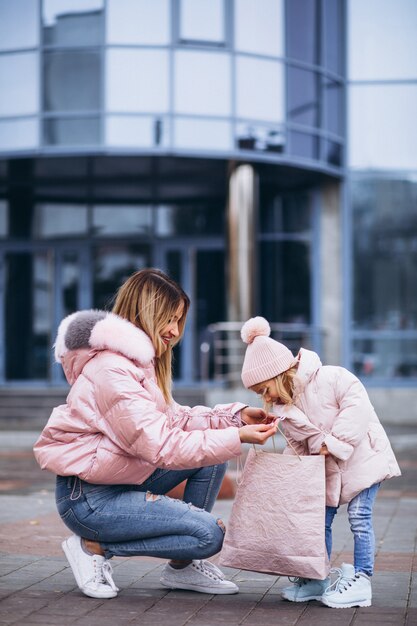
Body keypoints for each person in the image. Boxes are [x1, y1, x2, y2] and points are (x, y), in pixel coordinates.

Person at [34, 269, 277, 600]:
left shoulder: (138, 364)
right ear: (145, 312)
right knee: (208, 536)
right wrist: (239, 438)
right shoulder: (111, 370)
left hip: (121, 480)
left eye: (179, 320)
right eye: (169, 319)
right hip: (90, 500)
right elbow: (162, 445)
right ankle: (93, 545)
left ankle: (183, 568)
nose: (175, 331)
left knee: (210, 460)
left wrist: (233, 418)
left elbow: (174, 419)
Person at [240, 316, 401, 609]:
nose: (265, 398)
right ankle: (317, 577)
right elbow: (299, 446)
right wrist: (292, 470)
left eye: (265, 389)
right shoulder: (285, 410)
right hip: (327, 470)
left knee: (359, 517)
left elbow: (357, 407)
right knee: (317, 521)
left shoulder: (332, 377)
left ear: (278, 374)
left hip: (363, 459)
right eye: (259, 394)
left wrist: (332, 442)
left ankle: (362, 580)